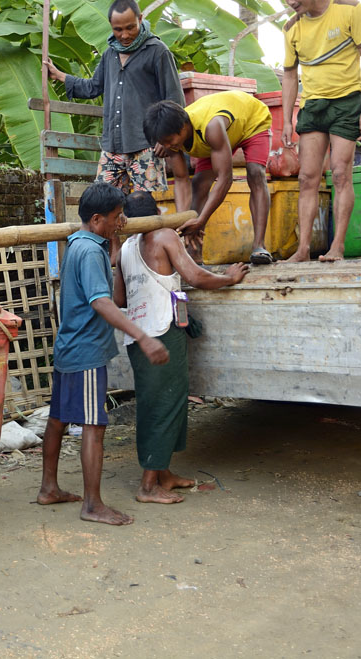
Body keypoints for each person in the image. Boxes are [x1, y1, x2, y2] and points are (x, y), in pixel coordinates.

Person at [36, 182, 169, 526]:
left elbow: (97, 279)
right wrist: (142, 336)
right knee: (94, 426)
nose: (120, 221)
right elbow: (101, 301)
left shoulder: (79, 243)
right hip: (87, 353)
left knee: (58, 420)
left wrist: (113, 237)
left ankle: (48, 487)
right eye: (114, 217)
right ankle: (92, 504)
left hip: (69, 345)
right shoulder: (90, 252)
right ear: (96, 219)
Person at [114, 191, 248, 503]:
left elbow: (119, 299)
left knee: (153, 405)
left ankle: (164, 474)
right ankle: (148, 486)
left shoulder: (126, 247)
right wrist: (228, 278)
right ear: (158, 213)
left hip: (138, 337)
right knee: (166, 405)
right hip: (162, 333)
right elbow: (195, 276)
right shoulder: (163, 236)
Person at [44, 0, 184, 194]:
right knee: (102, 202)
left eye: (130, 27)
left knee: (144, 205)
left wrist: (165, 138)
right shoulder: (109, 54)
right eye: (118, 30)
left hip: (145, 145)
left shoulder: (157, 51)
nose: (125, 35)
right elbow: (93, 87)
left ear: (140, 19)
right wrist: (59, 75)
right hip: (112, 145)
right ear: (111, 26)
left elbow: (174, 98)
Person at [280, 0, 361, 262]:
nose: (290, 1)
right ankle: (303, 249)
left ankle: (337, 247)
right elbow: (290, 75)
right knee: (307, 177)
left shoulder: (350, 9)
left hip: (347, 102)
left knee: (341, 173)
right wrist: (287, 120)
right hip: (312, 106)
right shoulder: (291, 28)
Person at [145, 92, 275, 264]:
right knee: (198, 183)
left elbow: (225, 179)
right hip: (218, 137)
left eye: (170, 140)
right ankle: (194, 254)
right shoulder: (170, 139)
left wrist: (201, 219)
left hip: (251, 120)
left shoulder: (210, 127)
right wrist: (184, 221)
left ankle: (259, 246)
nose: (168, 146)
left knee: (255, 173)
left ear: (184, 127)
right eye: (164, 142)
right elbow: (182, 179)